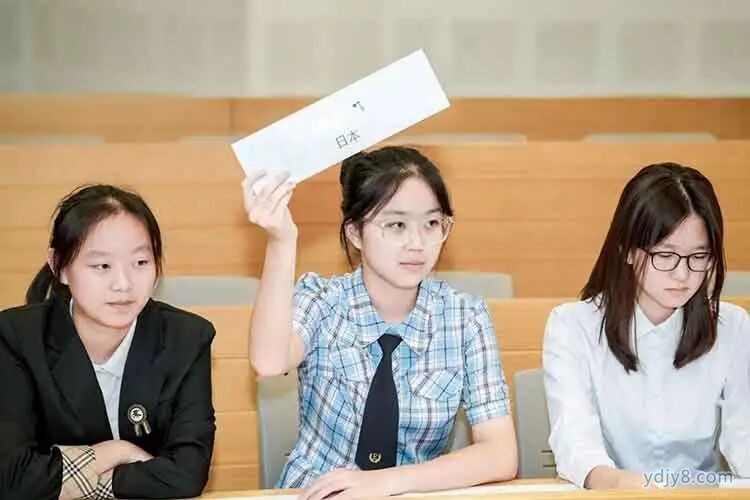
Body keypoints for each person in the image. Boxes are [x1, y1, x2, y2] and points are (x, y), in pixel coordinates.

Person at [242, 146, 517, 499]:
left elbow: (500, 454)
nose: (417, 243)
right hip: (320, 493)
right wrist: (282, 241)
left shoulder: (466, 317)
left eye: (432, 224)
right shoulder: (322, 300)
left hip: (410, 493)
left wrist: (387, 482)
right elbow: (268, 361)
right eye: (397, 225)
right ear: (355, 233)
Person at [0, 184, 216, 499]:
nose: (123, 284)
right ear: (59, 266)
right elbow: (12, 479)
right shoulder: (16, 337)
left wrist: (68, 479)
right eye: (102, 266)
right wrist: (118, 452)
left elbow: (187, 475)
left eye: (140, 263)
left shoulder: (187, 338)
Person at [543, 163, 750, 489]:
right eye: (665, 255)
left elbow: (745, 439)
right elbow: (575, 439)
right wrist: (622, 485)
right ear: (627, 250)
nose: (683, 274)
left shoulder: (733, 327)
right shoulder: (573, 326)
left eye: (699, 257)